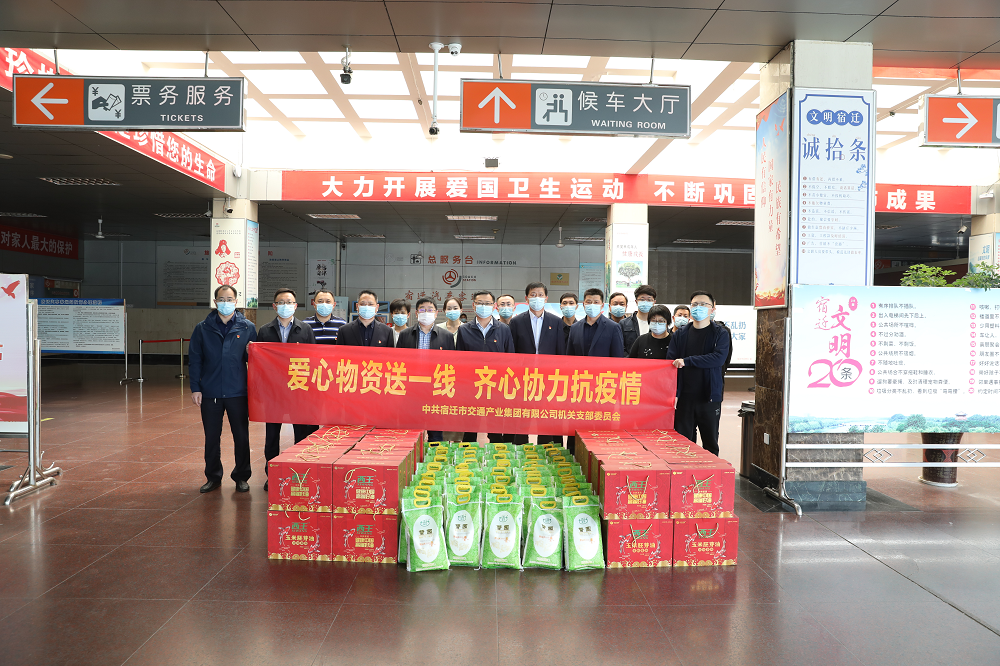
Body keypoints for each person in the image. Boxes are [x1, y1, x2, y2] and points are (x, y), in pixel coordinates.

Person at [188, 285, 257, 493]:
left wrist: (251, 353)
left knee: (241, 436)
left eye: (229, 299)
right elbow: (195, 360)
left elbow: (255, 362)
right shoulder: (202, 328)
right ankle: (213, 476)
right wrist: (195, 388)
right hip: (210, 392)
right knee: (211, 437)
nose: (225, 302)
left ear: (236, 301)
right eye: (221, 299)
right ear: (215, 302)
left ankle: (241, 476)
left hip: (238, 392)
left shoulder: (247, 327)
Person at [257, 288, 318, 491]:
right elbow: (260, 362)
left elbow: (313, 360)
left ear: (295, 306)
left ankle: (300, 472)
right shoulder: (265, 331)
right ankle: (272, 475)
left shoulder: (305, 330)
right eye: (281, 302)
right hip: (273, 392)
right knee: (271, 436)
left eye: (289, 302)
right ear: (274, 306)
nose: (285, 306)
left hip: (298, 391)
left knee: (301, 434)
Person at [666, 291, 731, 457]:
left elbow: (718, 359)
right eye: (695, 304)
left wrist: (687, 361)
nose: (698, 308)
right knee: (683, 444)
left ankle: (711, 472)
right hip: (684, 398)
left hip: (709, 397)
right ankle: (685, 472)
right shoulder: (680, 334)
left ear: (712, 309)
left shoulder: (721, 333)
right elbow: (671, 362)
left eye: (703, 304)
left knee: (710, 442)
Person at [509, 282, 565, 445]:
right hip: (523, 377)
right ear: (526, 298)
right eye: (533, 295)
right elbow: (512, 352)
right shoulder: (517, 322)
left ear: (546, 298)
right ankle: (520, 448)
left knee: (546, 416)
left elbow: (560, 352)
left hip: (548, 378)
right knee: (522, 416)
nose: (537, 298)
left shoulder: (556, 322)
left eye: (540, 295)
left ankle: (545, 448)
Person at [456, 290, 514, 442]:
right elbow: (459, 361)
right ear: (473, 306)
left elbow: (510, 359)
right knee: (470, 430)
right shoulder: (464, 330)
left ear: (494, 306)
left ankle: (497, 454)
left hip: (495, 387)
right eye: (480, 303)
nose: (483, 306)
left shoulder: (503, 329)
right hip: (471, 387)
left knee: (495, 430)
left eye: (487, 303)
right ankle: (468, 455)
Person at [397, 297, 454, 444]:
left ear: (436, 313)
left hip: (435, 390)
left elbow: (451, 366)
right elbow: (398, 364)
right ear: (416, 313)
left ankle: (435, 457)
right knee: (411, 433)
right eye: (422, 309)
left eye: (430, 310)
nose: (426, 312)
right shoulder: (405, 335)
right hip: (411, 390)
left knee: (436, 435)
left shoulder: (446, 336)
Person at [567, 288, 625, 358]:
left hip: (603, 365)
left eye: (596, 302)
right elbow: (570, 356)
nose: (592, 305)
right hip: (580, 365)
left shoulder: (613, 327)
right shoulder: (574, 328)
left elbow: (618, 356)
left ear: (602, 305)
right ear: (584, 305)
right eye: (589, 302)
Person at [620, 284, 662, 354]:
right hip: (630, 360)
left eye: (649, 300)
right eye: (642, 299)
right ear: (636, 301)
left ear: (654, 302)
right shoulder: (624, 324)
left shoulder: (660, 324)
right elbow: (620, 347)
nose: (645, 302)